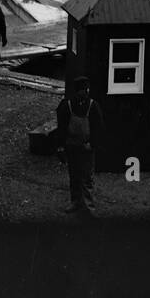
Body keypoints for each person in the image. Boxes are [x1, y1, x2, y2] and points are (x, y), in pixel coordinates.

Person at [55, 76, 105, 215]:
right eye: (81, 90)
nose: (82, 93)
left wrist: (92, 144)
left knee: (86, 178)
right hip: (72, 146)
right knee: (74, 176)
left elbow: (99, 128)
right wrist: (61, 146)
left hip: (86, 147)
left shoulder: (92, 106)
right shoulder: (68, 105)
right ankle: (76, 202)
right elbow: (62, 127)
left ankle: (88, 206)